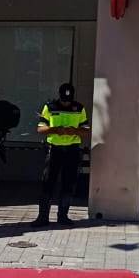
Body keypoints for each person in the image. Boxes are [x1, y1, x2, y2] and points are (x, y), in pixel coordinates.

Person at [32, 83, 90, 227]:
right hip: (54, 149)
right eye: (64, 100)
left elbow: (86, 130)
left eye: (68, 100)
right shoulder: (50, 107)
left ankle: (63, 216)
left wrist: (74, 131)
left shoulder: (79, 108)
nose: (66, 103)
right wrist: (55, 130)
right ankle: (43, 217)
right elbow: (40, 129)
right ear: (59, 96)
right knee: (48, 183)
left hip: (72, 150)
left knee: (68, 183)